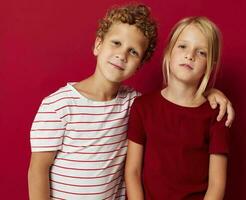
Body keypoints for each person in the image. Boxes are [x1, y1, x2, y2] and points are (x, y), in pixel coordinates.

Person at [28, 4, 233, 199]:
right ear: (98, 44)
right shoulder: (58, 105)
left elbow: (180, 102)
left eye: (133, 51)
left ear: (139, 65)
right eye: (116, 43)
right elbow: (38, 170)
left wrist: (211, 93)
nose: (122, 54)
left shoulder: (131, 103)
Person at [125, 16, 230, 200]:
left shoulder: (217, 114)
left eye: (201, 53)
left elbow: (216, 184)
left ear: (209, 66)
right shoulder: (143, 107)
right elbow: (132, 172)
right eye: (183, 46)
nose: (190, 55)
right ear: (169, 52)